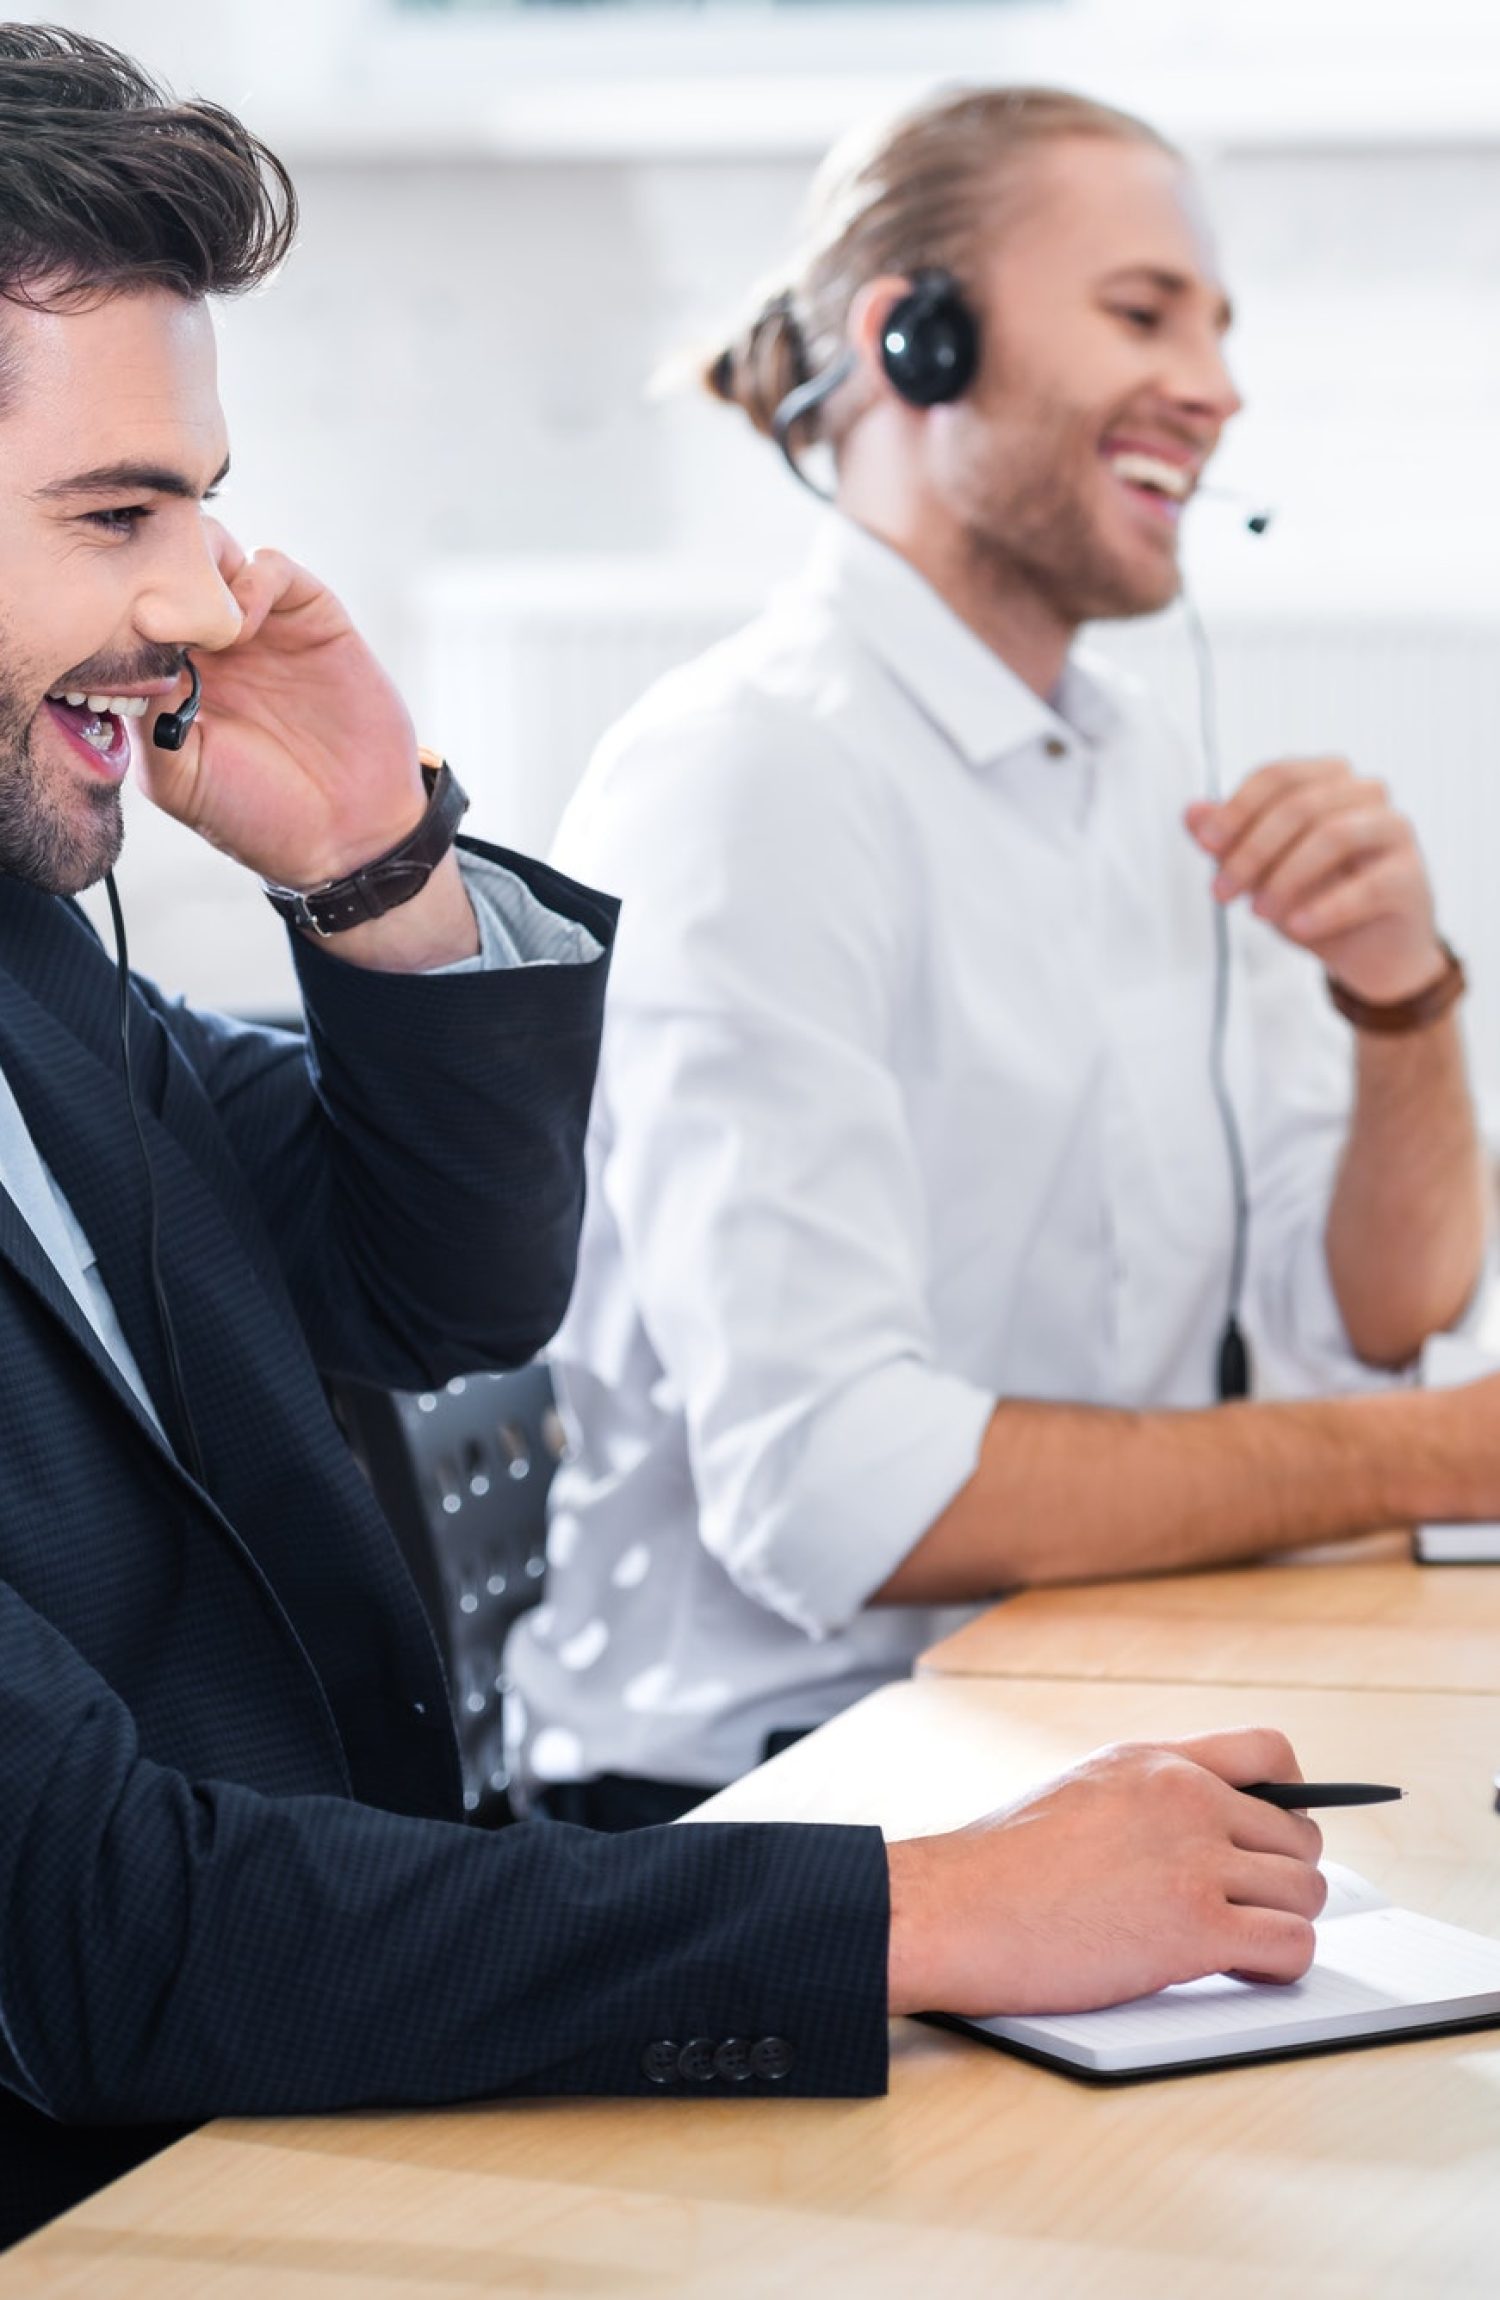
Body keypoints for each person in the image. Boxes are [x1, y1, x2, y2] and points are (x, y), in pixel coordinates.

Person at [0, 32, 1330, 2249]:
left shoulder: (41, 967)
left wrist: (381, 872)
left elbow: (435, 1289)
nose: (210, 601)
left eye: (204, 507)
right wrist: (920, 1912)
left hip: (323, 2076)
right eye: (121, 513)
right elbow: (98, 1929)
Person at [509, 84, 1498, 1827]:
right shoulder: (756, 776)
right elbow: (838, 1495)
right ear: (921, 337)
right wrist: (1436, 1455)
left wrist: (1402, 1001)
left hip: (1060, 1710)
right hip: (768, 1801)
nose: (1215, 386)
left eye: (1217, 327)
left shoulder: (1139, 766)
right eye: (1143, 312)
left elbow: (1362, 1327)